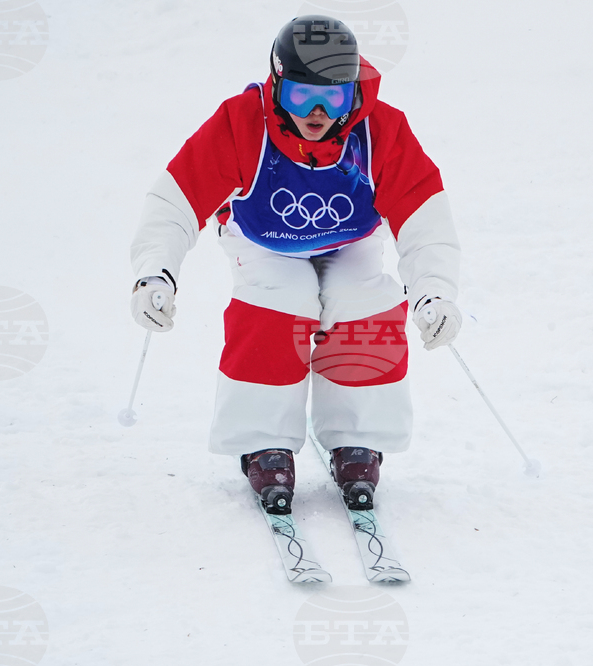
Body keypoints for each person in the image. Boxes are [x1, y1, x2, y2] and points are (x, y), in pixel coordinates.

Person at [129, 15, 462, 515]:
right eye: (302, 96)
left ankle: (357, 439)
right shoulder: (242, 123)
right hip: (263, 238)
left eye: (334, 96)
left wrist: (435, 290)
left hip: (351, 238)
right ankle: (264, 442)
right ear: (277, 84)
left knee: (366, 301)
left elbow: (424, 218)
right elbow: (175, 201)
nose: (318, 112)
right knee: (278, 302)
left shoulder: (379, 131)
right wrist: (155, 271)